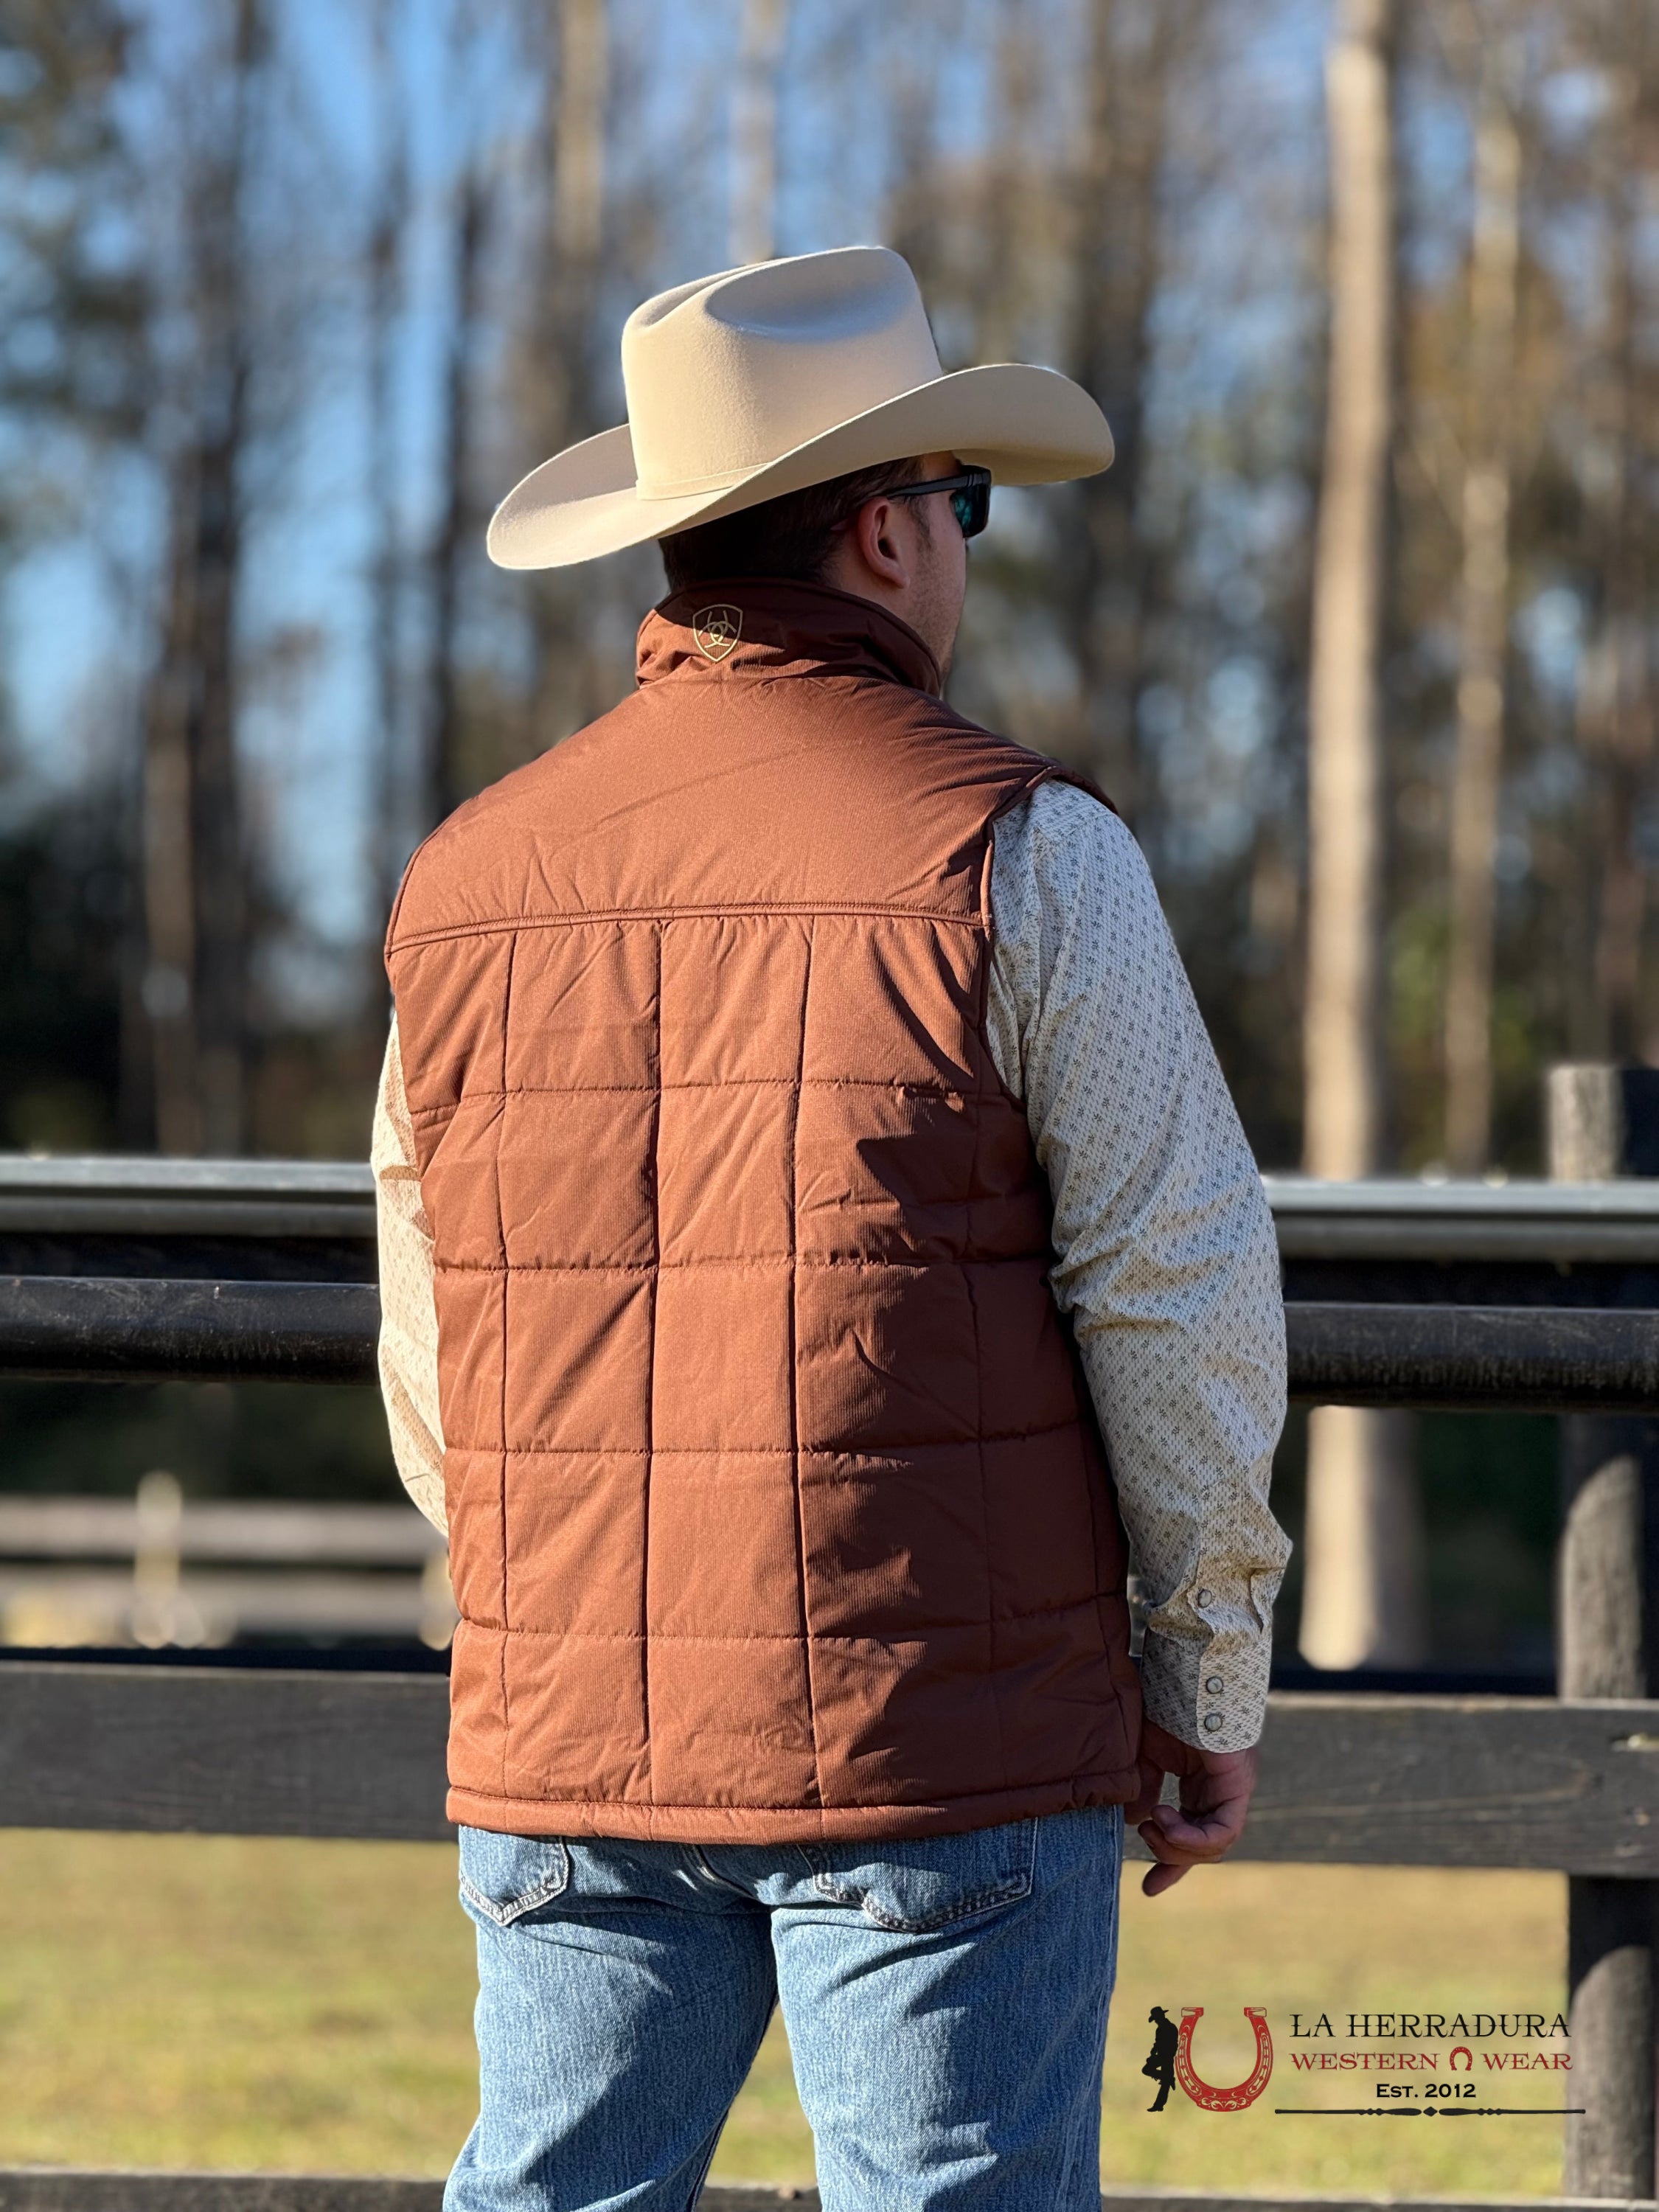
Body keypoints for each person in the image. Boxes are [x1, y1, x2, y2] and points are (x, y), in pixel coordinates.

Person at [372, 245, 1290, 2212]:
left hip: (568, 1747)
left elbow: (435, 1337)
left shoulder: (462, 888)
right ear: (885, 533)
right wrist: (1205, 1672)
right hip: (937, 1745)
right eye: (962, 503)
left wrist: (560, 1603)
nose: (961, 544)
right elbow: (1176, 1287)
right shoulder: (1022, 852)